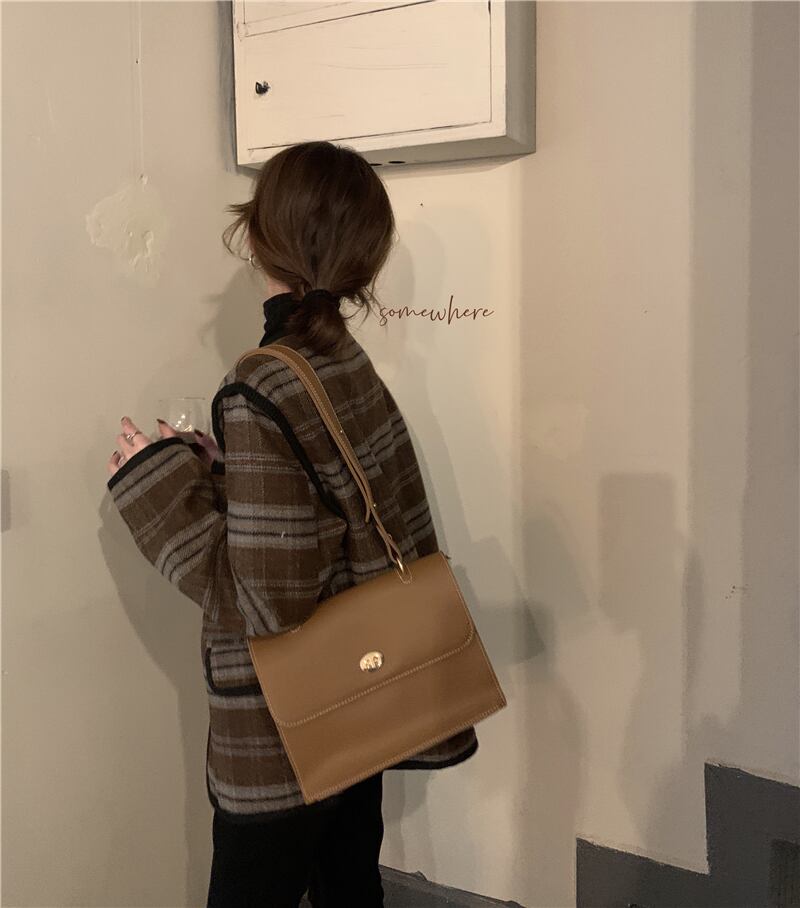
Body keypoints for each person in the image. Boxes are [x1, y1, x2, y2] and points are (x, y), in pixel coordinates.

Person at [105, 140, 479, 907]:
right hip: (358, 699)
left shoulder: (263, 379)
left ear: (257, 236)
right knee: (349, 885)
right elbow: (333, 508)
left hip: (285, 733)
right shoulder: (340, 357)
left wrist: (156, 483)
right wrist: (229, 469)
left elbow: (268, 602)